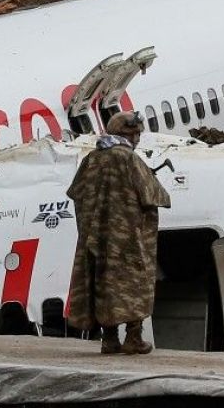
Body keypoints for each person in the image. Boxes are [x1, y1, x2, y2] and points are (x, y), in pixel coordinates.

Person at [66, 111, 171, 355]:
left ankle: (109, 339)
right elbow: (154, 195)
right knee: (134, 285)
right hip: (126, 239)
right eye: (137, 134)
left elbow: (77, 193)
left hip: (97, 239)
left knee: (103, 284)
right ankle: (133, 338)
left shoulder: (92, 158)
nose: (138, 140)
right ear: (130, 134)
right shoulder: (128, 159)